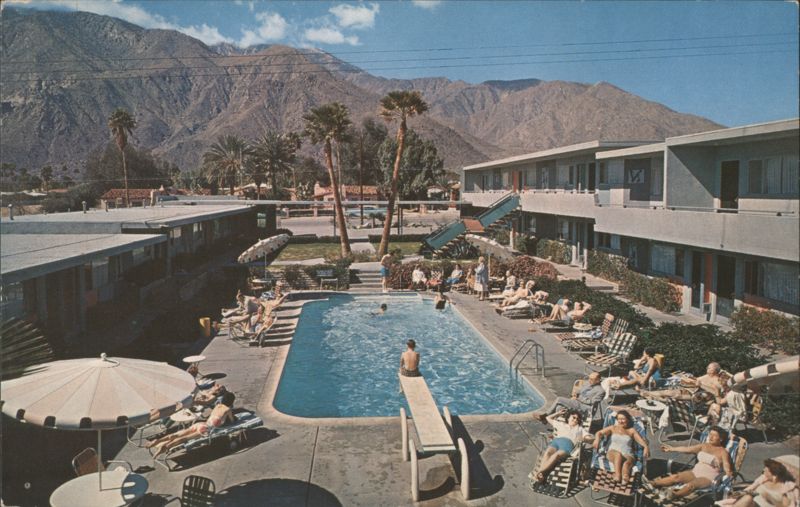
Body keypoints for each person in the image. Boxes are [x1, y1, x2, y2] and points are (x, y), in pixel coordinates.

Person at [652, 426, 733, 500]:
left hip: (708, 477)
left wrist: (729, 475)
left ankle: (675, 495)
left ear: (721, 439)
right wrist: (672, 448)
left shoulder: (723, 452)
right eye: (710, 434)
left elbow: (727, 466)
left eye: (714, 435)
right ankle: (654, 484)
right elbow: (687, 449)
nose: (710, 437)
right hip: (695, 472)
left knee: (691, 485)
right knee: (676, 477)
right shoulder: (704, 446)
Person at [147, 392, 237, 458]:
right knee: (183, 439)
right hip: (205, 429)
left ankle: (157, 441)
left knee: (177, 434)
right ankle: (165, 447)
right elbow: (232, 421)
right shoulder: (228, 409)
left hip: (200, 424)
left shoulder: (218, 405)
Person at [530, 409, 593, 484]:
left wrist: (590, 438)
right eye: (574, 417)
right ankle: (541, 476)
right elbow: (548, 418)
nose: (575, 420)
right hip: (556, 442)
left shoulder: (580, 429)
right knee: (547, 453)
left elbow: (588, 437)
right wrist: (558, 413)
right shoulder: (561, 424)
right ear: (568, 417)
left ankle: (539, 473)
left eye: (577, 419)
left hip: (568, 445)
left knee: (556, 456)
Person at [593, 410, 650, 484]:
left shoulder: (631, 431)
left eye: (623, 419)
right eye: (619, 419)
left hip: (628, 454)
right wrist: (597, 439)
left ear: (628, 420)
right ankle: (618, 475)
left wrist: (646, 447)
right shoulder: (613, 428)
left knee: (626, 464)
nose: (621, 421)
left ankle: (625, 478)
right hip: (613, 452)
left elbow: (640, 440)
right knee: (618, 455)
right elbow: (599, 432)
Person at [717, 458, 798, 506]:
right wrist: (738, 493)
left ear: (775, 475)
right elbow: (750, 488)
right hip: (751, 503)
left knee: (748, 498)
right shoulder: (763, 479)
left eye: (766, 471)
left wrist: (770, 498)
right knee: (747, 497)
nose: (763, 472)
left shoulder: (788, 488)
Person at [535, 372, 605, 421]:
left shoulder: (601, 391)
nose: (589, 380)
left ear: (598, 380)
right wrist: (575, 393)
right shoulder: (587, 383)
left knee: (559, 399)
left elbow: (592, 402)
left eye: (592, 379)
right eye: (589, 378)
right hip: (576, 402)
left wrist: (578, 398)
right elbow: (580, 390)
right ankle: (558, 426)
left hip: (585, 407)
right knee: (559, 407)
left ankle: (545, 416)